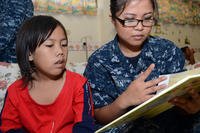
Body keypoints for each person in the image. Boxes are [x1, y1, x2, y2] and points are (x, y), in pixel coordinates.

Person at [84, 0, 200, 132]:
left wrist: (191, 108)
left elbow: (178, 106)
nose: (140, 27)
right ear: (113, 20)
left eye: (147, 18)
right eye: (130, 19)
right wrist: (124, 101)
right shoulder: (99, 61)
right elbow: (99, 116)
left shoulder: (168, 50)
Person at [0, 15, 95, 133]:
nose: (60, 51)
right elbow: (7, 129)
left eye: (64, 44)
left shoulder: (79, 85)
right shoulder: (15, 92)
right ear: (30, 53)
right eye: (50, 45)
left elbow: (85, 127)